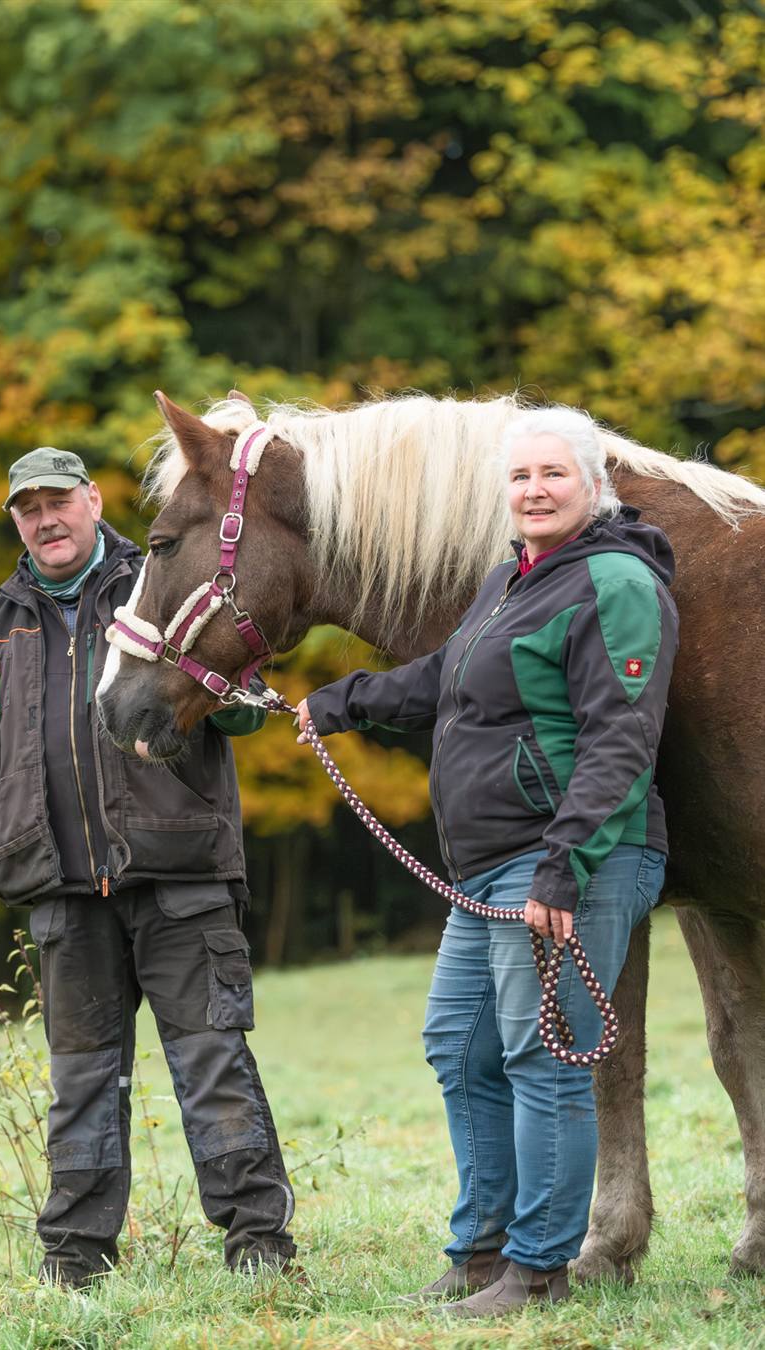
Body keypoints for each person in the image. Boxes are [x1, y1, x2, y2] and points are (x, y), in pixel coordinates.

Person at [296, 406, 678, 1317]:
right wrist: (340, 701)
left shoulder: (615, 581)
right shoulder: (513, 577)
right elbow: (446, 676)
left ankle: (538, 1271)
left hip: (569, 859)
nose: (535, 490)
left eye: (553, 474)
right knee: (459, 1045)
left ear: (593, 483)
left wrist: (563, 867)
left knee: (541, 1059)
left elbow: (621, 739)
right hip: (488, 868)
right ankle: (482, 1251)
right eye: (520, 477)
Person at [0, 447, 295, 1288]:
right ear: (15, 521)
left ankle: (259, 1250)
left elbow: (238, 707)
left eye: (59, 500)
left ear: (94, 501)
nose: (45, 519)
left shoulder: (161, 583)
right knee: (82, 1084)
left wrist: (236, 694)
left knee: (213, 1067)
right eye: (27, 508)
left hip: (180, 877)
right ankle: (76, 1262)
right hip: (59, 888)